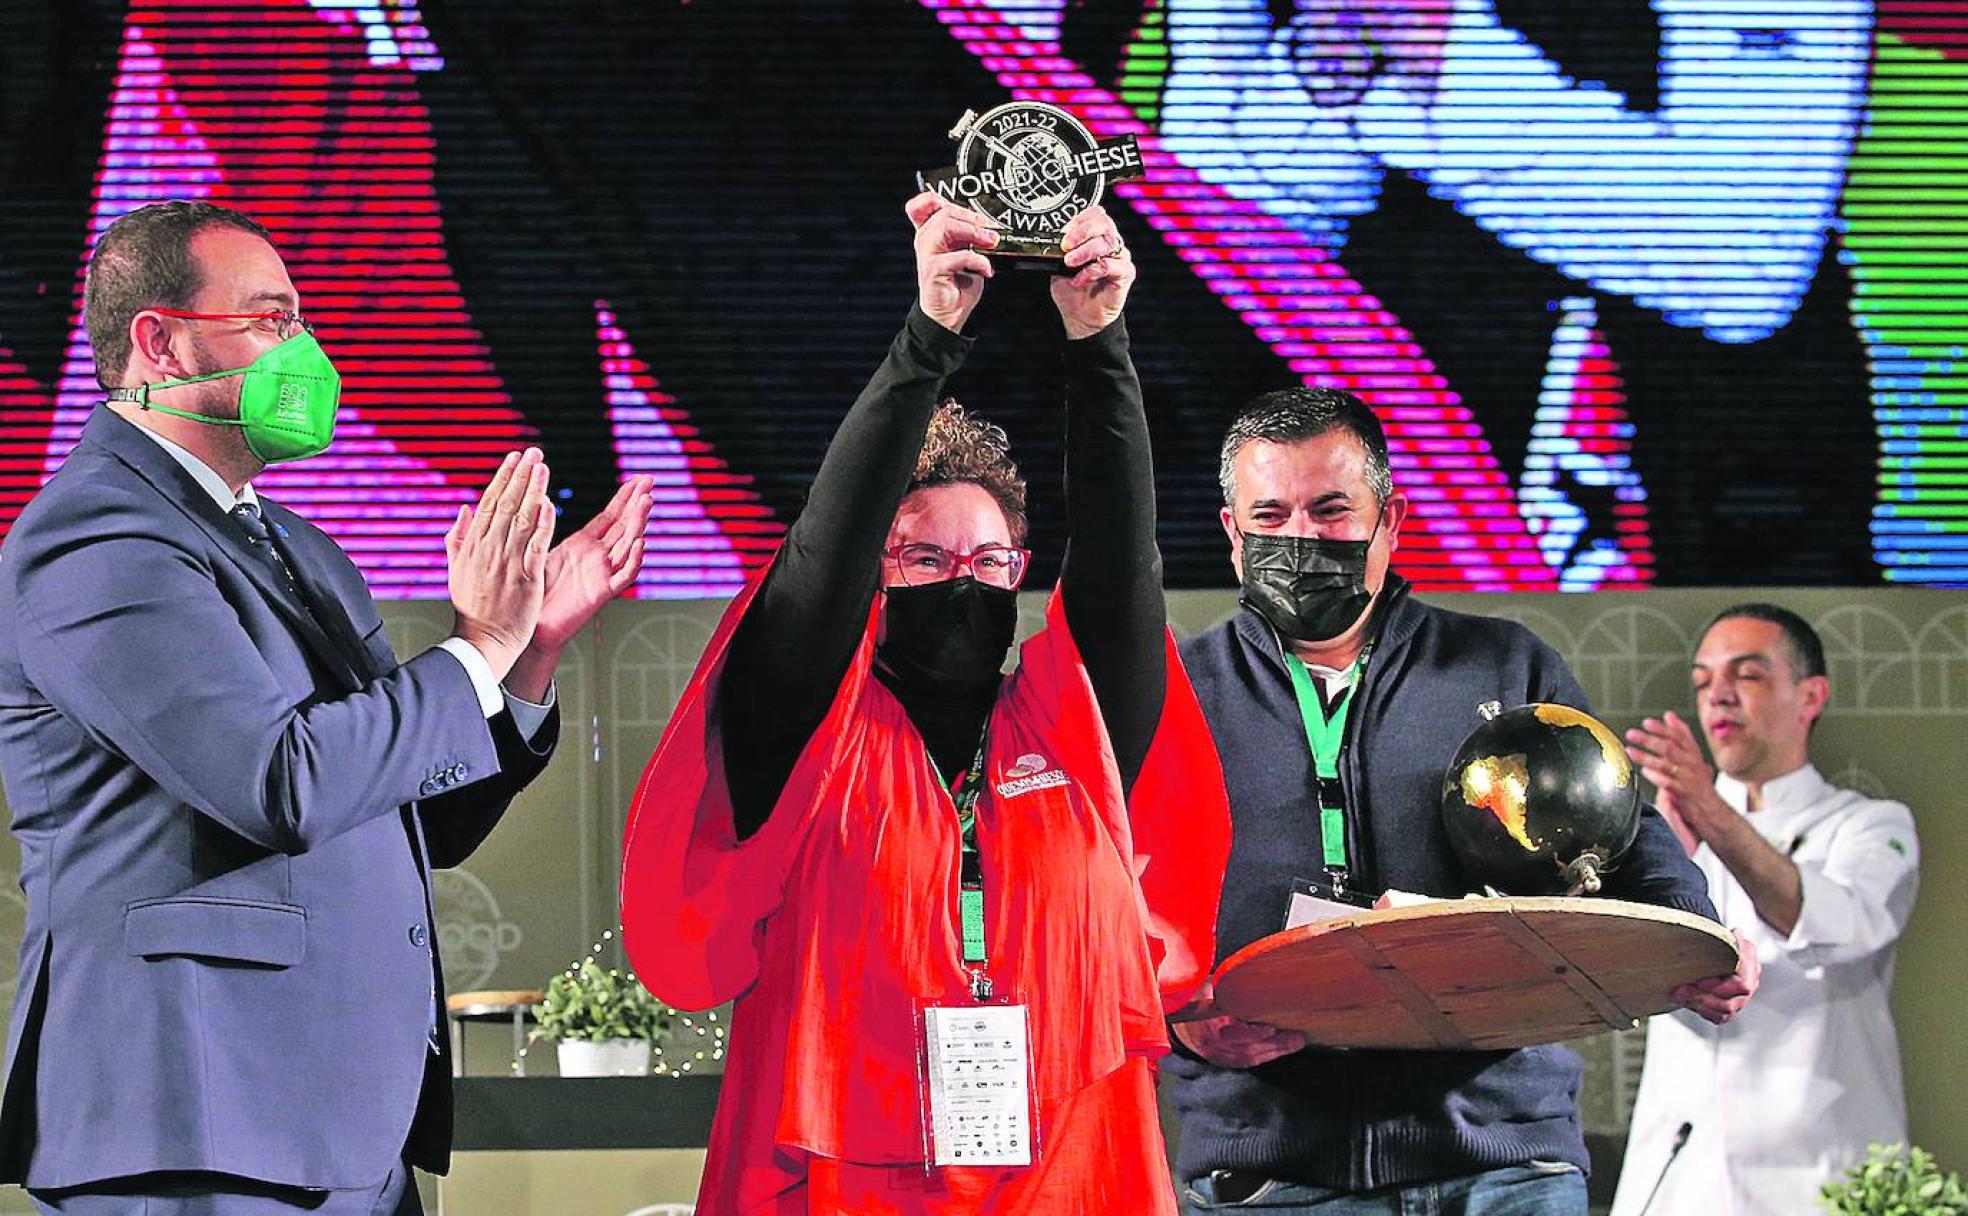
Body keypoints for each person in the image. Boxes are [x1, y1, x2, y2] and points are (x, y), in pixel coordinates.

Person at [0, 200, 653, 1214]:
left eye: (303, 324)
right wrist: (476, 644)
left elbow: (418, 817)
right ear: (159, 340)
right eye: (269, 321)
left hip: (340, 1128)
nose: (303, 353)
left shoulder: (302, 548)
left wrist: (530, 653)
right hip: (195, 1121)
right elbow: (279, 783)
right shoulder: (95, 536)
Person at [619, 193, 1230, 1215]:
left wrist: (1098, 343)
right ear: (875, 570)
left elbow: (1125, 567)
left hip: (1067, 1177)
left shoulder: (1068, 727)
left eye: (992, 561)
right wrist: (928, 333)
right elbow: (817, 560)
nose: (963, 582)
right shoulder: (814, 731)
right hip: (853, 1177)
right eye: (924, 557)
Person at [1166, 386, 1761, 1215]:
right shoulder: (1172, 696)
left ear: (1391, 519)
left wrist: (1695, 936)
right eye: (1270, 516)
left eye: (1332, 510)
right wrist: (1171, 1020)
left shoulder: (1503, 666)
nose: (1300, 538)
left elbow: (1622, 835)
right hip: (1269, 1171)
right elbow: (1100, 903)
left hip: (1502, 1164)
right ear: (1232, 535)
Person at [1611, 605, 1921, 1216]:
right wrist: (1660, 868)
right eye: (1702, 682)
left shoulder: (1870, 825)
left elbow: (1834, 921)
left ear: (1811, 696)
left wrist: (1709, 810)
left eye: (1746, 675)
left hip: (1817, 1172)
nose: (1718, 696)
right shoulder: (1664, 838)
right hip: (1679, 1176)